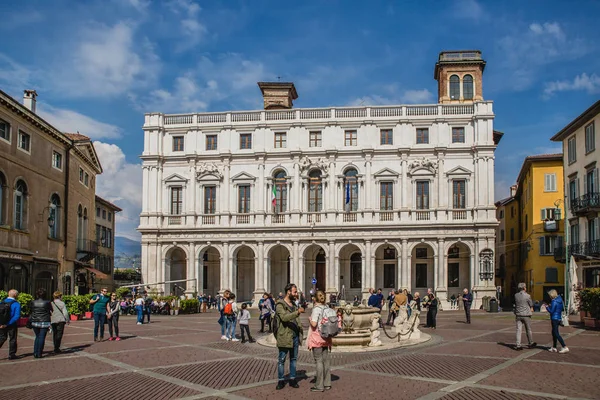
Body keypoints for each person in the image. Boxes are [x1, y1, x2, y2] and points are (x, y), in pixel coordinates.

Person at [275, 283, 304, 390]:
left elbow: (296, 320)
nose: (296, 294)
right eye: (295, 292)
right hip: (284, 335)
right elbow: (284, 318)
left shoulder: (294, 304)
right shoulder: (280, 305)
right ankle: (281, 380)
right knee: (282, 359)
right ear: (289, 292)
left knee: (293, 359)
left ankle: (292, 379)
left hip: (294, 336)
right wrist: (297, 312)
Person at [308, 290, 335, 392]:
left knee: (318, 361)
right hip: (326, 337)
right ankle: (327, 383)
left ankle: (319, 385)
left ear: (315, 298)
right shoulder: (326, 307)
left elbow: (314, 324)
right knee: (326, 361)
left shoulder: (316, 309)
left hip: (317, 338)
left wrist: (310, 320)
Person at [30, 288, 52, 358]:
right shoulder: (47, 302)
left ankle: (35, 352)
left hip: (35, 320)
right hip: (44, 321)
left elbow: (31, 310)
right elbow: (51, 310)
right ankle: (39, 353)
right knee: (42, 337)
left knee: (37, 336)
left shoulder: (33, 302)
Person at [514, 282, 537, 351]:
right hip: (526, 314)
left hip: (518, 314)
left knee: (518, 330)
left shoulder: (516, 295)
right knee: (528, 329)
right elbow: (531, 303)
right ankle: (530, 342)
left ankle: (518, 345)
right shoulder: (527, 296)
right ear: (524, 288)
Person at [0, 289, 21, 360]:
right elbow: (16, 316)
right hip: (11, 324)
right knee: (12, 339)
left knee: (2, 337)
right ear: (15, 295)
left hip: (2, 323)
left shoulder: (2, 302)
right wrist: (8, 323)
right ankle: (12, 354)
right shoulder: (16, 303)